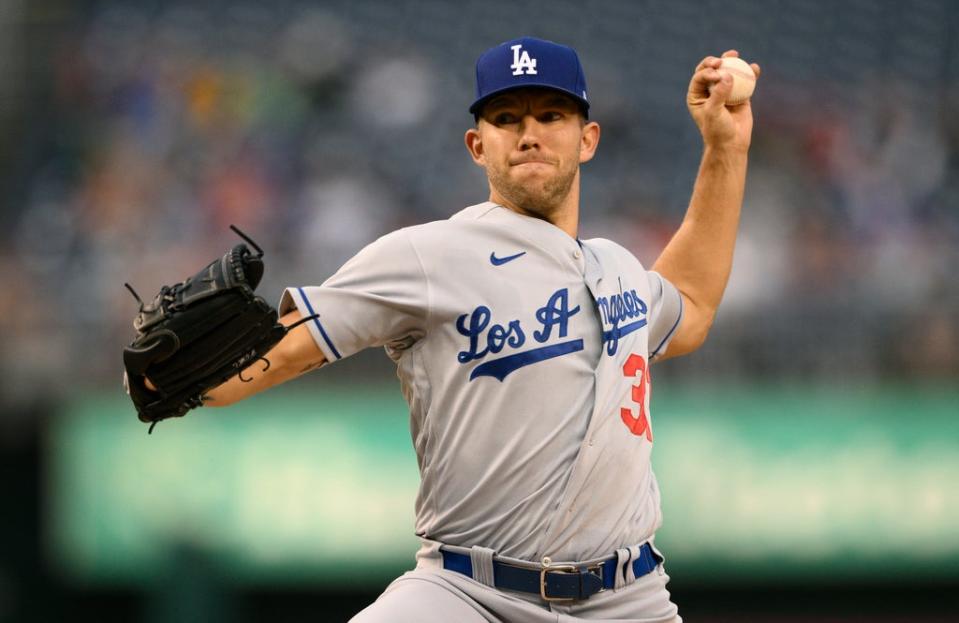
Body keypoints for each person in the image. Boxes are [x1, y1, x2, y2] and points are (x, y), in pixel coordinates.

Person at [200, 36, 760, 622]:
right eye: (506, 118)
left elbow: (690, 306)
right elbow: (285, 349)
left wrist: (726, 146)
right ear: (477, 144)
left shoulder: (618, 267)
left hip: (628, 601)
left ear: (587, 138)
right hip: (468, 594)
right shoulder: (429, 255)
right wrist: (187, 387)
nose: (529, 133)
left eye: (551, 115)